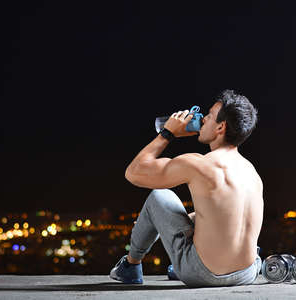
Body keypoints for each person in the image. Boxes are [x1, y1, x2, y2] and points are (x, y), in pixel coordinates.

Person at [109, 90, 263, 287]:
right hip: (247, 273)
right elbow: (219, 215)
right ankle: (189, 264)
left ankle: (130, 267)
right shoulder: (251, 172)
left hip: (204, 274)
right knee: (207, 214)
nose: (203, 119)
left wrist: (168, 133)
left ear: (221, 127)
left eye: (209, 115)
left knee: (160, 196)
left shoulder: (198, 164)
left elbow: (133, 172)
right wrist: (177, 220)